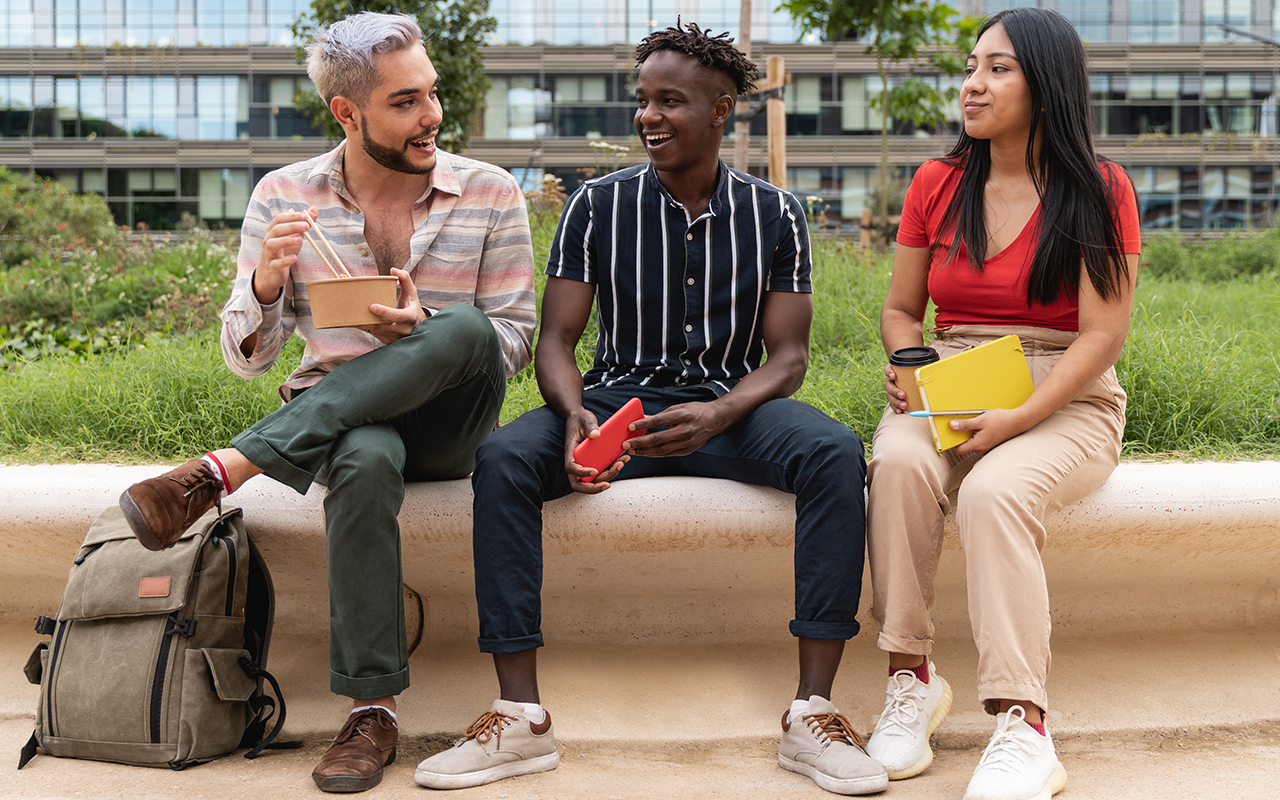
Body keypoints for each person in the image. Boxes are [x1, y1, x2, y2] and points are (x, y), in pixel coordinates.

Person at [413, 21, 887, 797]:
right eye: (642, 101)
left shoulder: (777, 214)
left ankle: (812, 713)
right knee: (502, 458)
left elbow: (790, 359)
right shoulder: (597, 206)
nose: (648, 116)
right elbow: (558, 343)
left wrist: (721, 412)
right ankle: (519, 717)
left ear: (722, 108)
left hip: (730, 406)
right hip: (615, 404)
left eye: (671, 100)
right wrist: (573, 416)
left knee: (834, 452)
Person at [116, 12, 536, 793]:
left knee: (467, 329)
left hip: (451, 421)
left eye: (432, 95)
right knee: (364, 455)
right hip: (343, 420)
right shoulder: (284, 195)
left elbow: (511, 342)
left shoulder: (489, 191)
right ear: (348, 112)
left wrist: (426, 328)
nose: (433, 116)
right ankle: (371, 710)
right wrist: (265, 287)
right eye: (406, 102)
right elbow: (251, 358)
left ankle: (221, 470)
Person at [862, 8, 1141, 800]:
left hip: (1067, 392)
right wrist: (909, 363)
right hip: (955, 374)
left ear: (1047, 83)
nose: (973, 84)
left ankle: (1024, 724)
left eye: (999, 68)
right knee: (898, 462)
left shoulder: (1101, 189)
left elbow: (1100, 336)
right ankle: (910, 680)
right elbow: (899, 310)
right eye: (972, 65)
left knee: (994, 490)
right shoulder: (936, 183)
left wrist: (1018, 419)